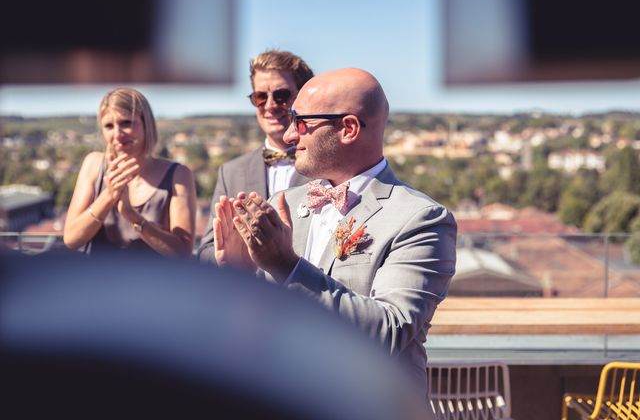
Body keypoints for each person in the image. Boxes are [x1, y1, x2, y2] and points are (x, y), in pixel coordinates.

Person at [213, 68, 457, 392]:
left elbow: (388, 330)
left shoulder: (421, 219)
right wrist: (240, 279)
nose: (288, 136)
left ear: (348, 128)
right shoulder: (284, 204)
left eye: (300, 122)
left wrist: (286, 266)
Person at [197, 49, 314, 262]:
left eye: (281, 95)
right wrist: (231, 258)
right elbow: (206, 250)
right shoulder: (231, 171)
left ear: (302, 96)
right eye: (261, 97)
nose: (270, 105)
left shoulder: (328, 166)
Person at [63, 87, 197, 257]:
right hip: (95, 280)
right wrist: (108, 196)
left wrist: (131, 215)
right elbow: (71, 239)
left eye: (126, 123)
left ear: (146, 123)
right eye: (109, 126)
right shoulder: (94, 164)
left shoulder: (178, 175)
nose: (117, 134)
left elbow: (183, 252)